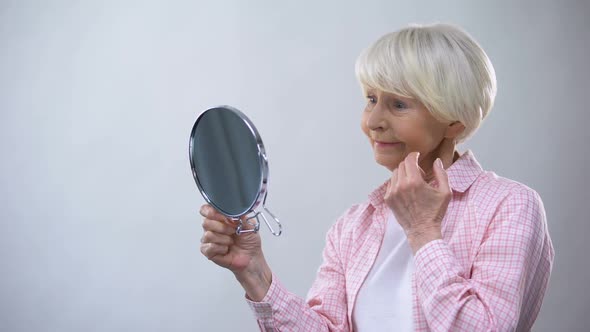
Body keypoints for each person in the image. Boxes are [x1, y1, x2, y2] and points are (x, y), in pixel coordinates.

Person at [198, 23, 555, 331]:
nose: (373, 121)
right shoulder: (354, 226)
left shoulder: (509, 206)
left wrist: (423, 232)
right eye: (371, 99)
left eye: (398, 104)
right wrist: (254, 273)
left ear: (455, 120)